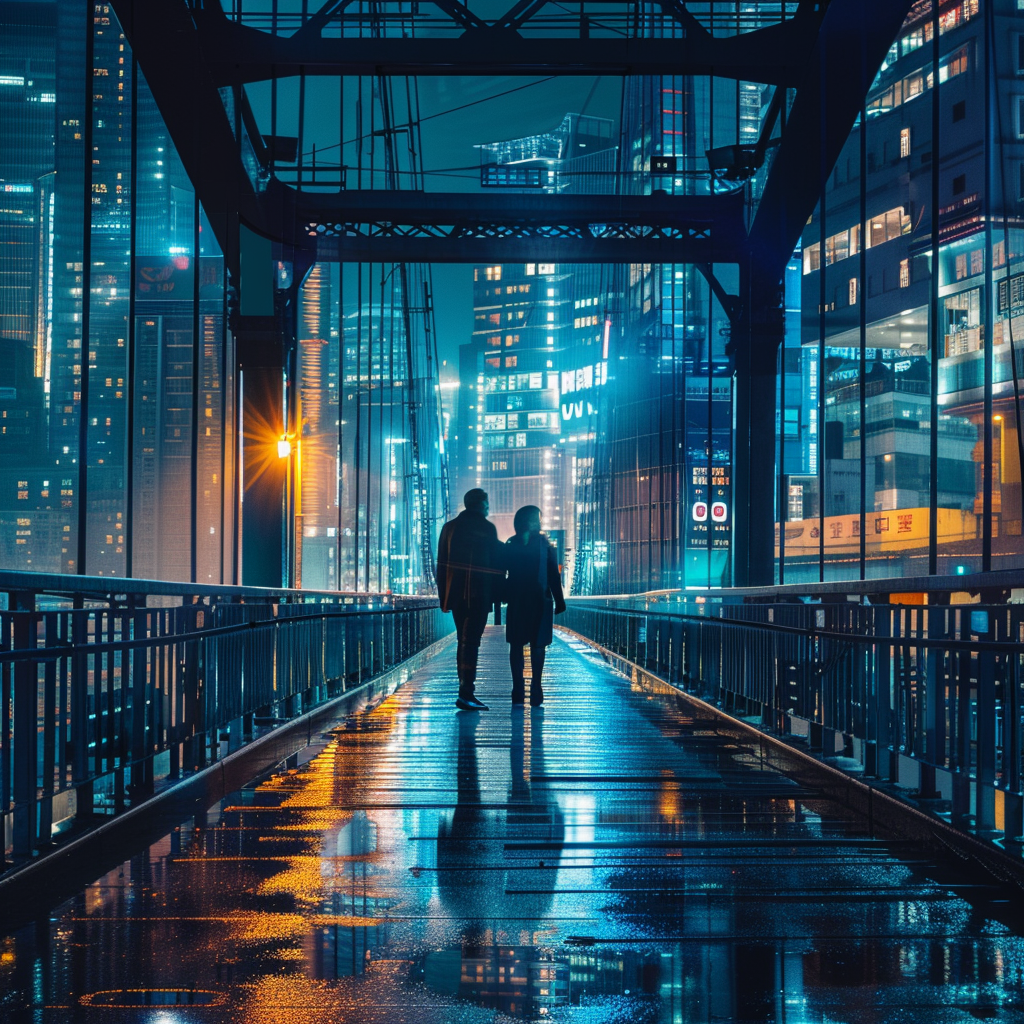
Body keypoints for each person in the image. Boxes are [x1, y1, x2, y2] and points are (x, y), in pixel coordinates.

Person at [436, 488, 504, 711]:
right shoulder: (486, 528)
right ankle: (466, 693)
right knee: (471, 642)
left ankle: (465, 689)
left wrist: (443, 598)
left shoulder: (449, 528)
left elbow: (442, 564)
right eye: (486, 503)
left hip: (455, 597)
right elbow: (496, 564)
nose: (488, 507)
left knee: (463, 642)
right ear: (480, 504)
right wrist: (498, 595)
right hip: (479, 595)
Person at [503, 505, 566, 706]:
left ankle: (517, 689)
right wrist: (560, 600)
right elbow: (554, 576)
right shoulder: (546, 546)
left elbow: (501, 573)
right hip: (541, 600)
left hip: (517, 600)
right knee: (538, 645)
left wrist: (501, 595)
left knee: (516, 645)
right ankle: (536, 688)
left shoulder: (511, 544)